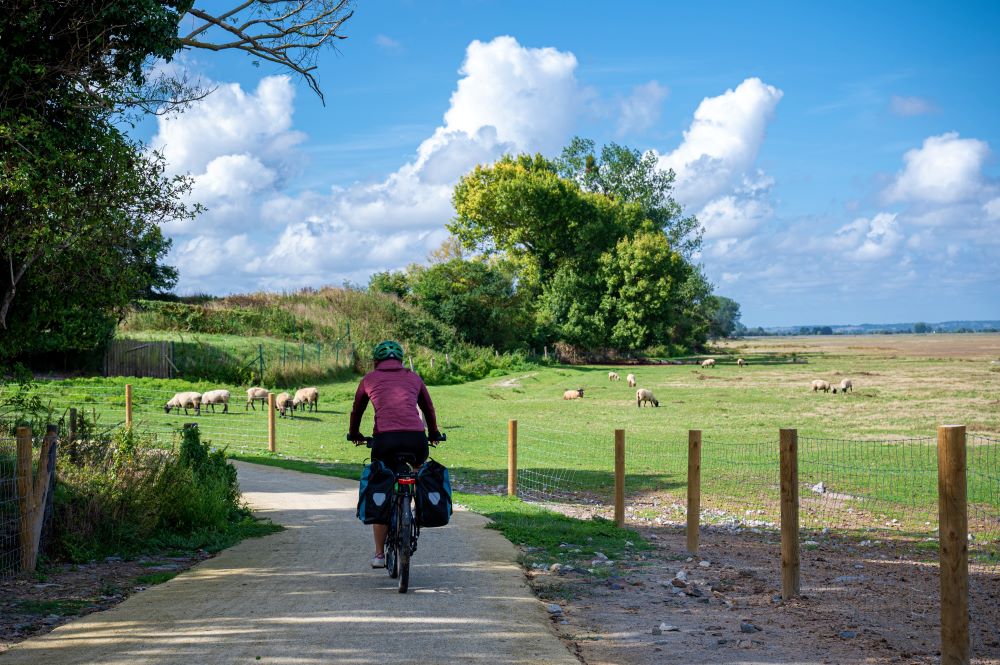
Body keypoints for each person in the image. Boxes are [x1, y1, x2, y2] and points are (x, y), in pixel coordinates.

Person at [349, 340, 442, 568]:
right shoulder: (414, 378)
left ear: (376, 361)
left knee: (381, 483)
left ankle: (379, 555)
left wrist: (355, 434)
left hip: (385, 441)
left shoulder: (369, 379)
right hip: (416, 441)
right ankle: (420, 508)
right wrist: (434, 434)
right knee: (418, 472)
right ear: (400, 360)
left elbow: (357, 410)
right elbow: (428, 409)